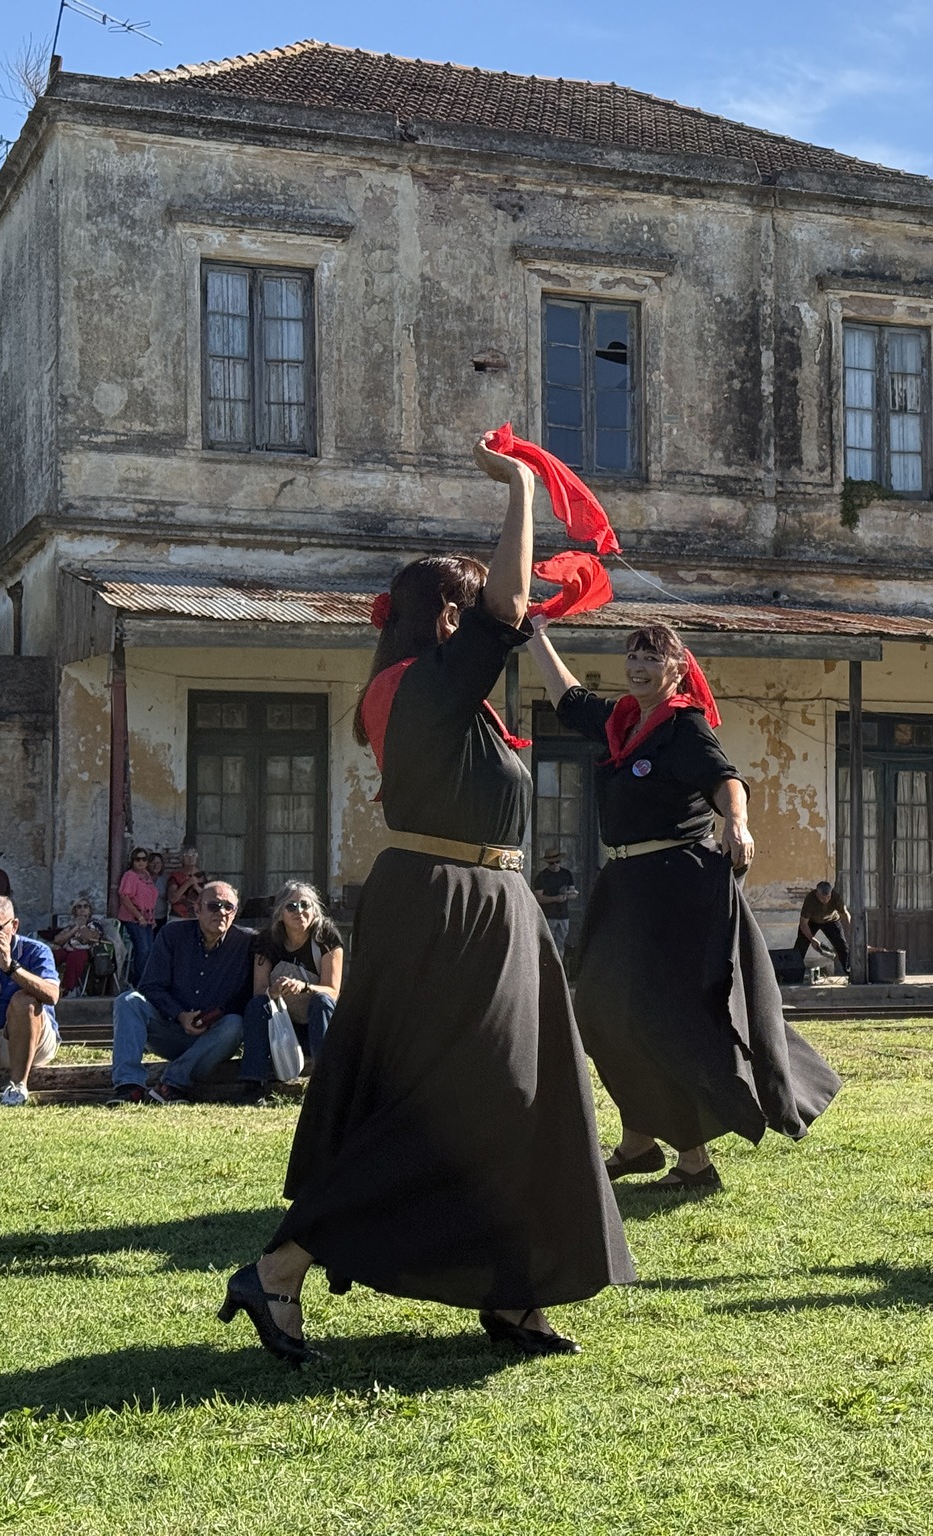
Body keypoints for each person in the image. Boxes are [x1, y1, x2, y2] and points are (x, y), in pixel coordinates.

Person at [222, 434, 634, 1367]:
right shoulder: (413, 690)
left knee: (532, 1101)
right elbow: (509, 607)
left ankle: (514, 1293)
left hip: (492, 907)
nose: (485, 619)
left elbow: (513, 618)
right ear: (443, 619)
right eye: (468, 607)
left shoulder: (446, 698)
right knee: (441, 1106)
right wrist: (525, 491)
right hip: (450, 909)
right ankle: (278, 1270)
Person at [527, 617, 841, 1195]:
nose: (638, 666)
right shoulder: (622, 723)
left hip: (679, 885)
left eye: (651, 657)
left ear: (676, 667)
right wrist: (536, 636)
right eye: (632, 656)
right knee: (599, 1011)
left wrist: (738, 824)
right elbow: (569, 700)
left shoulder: (683, 725)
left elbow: (728, 782)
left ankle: (681, 1156)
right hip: (625, 885)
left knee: (663, 1018)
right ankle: (644, 1140)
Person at [107, 879, 253, 1104]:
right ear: (197, 909)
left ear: (235, 912)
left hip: (213, 1040)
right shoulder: (172, 934)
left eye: (228, 907)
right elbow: (150, 985)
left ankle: (171, 1084)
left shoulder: (248, 943)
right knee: (128, 1000)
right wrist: (180, 1015)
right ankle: (129, 1086)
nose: (221, 912)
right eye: (213, 906)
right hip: (169, 1029)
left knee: (234, 1024)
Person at [237, 881, 343, 1105]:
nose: (300, 911)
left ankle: (326, 1085)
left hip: (316, 1026)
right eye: (291, 906)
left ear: (315, 909)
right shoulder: (267, 941)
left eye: (305, 905)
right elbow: (259, 990)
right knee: (258, 1005)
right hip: (281, 1027)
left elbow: (333, 991)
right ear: (280, 913)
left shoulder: (326, 938)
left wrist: (304, 987)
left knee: (322, 1001)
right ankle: (253, 1085)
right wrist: (273, 991)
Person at [0, 895, 61, 1107]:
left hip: (31, 1044)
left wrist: (11, 968)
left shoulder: (36, 951)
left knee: (25, 1001)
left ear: (14, 925)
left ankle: (17, 1088)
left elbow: (52, 996)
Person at [115, 846, 160, 987]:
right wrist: (139, 917)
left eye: (144, 859)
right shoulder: (130, 876)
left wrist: (150, 919)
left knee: (150, 950)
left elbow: (150, 898)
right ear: (132, 861)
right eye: (137, 859)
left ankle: (146, 980)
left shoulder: (146, 875)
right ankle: (139, 982)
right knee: (143, 949)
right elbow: (125, 897)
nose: (141, 862)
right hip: (133, 919)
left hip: (147, 919)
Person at [794, 880, 852, 978]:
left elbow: (845, 914)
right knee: (800, 947)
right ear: (817, 894)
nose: (826, 900)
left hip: (831, 921)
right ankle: (794, 974)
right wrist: (812, 939)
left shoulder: (836, 897)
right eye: (822, 898)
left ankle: (850, 972)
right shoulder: (810, 899)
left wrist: (850, 931)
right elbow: (803, 923)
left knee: (842, 946)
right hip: (812, 922)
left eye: (828, 897)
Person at [49, 895, 106, 996]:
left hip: (87, 951)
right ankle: (46, 984)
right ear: (75, 911)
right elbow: (57, 940)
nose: (82, 909)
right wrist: (75, 928)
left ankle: (68, 989)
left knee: (75, 956)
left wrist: (83, 926)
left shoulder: (94, 924)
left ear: (89, 910)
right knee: (52, 956)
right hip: (68, 949)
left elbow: (90, 938)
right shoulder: (72, 925)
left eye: (85, 906)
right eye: (79, 907)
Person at [532, 848, 577, 954]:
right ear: (548, 863)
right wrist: (556, 899)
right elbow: (538, 897)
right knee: (548, 946)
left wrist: (568, 896)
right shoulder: (542, 877)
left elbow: (573, 893)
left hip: (563, 916)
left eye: (558, 862)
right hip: (548, 916)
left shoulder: (567, 874)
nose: (555, 865)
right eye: (552, 863)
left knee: (560, 946)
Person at [165, 846, 205, 923]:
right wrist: (187, 884)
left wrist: (196, 887)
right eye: (187, 856)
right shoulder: (175, 876)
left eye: (193, 855)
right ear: (182, 858)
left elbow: (209, 896)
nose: (190, 858)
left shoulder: (204, 876)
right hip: (178, 917)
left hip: (198, 917)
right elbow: (172, 899)